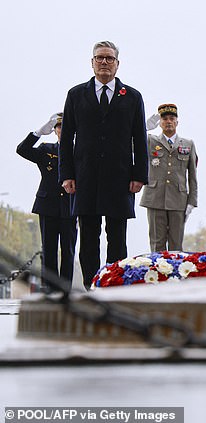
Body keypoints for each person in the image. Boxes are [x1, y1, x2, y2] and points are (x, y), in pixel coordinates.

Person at [59, 41, 148, 290]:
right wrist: (66, 174)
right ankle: (91, 286)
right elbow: (66, 138)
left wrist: (139, 175)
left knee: (117, 237)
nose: (104, 62)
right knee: (88, 237)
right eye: (99, 58)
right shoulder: (76, 95)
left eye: (110, 58)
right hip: (84, 176)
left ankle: (115, 285)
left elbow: (139, 138)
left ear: (118, 64)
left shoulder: (132, 96)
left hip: (119, 178)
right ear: (92, 62)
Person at [16, 113, 77, 293]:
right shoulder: (46, 149)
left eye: (65, 127)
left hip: (70, 205)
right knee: (48, 249)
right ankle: (49, 287)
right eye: (59, 127)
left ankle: (65, 288)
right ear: (55, 130)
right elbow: (22, 150)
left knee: (68, 250)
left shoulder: (79, 152)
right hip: (48, 204)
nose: (62, 130)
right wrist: (37, 133)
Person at [141, 104, 198, 252]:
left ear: (177, 122)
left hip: (178, 200)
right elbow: (129, 145)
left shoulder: (188, 144)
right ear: (159, 122)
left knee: (176, 245)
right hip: (155, 198)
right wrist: (142, 128)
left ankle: (175, 276)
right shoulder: (149, 141)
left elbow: (192, 176)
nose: (168, 121)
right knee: (156, 245)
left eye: (172, 118)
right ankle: (157, 275)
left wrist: (192, 201)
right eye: (164, 118)